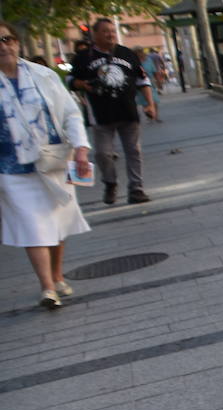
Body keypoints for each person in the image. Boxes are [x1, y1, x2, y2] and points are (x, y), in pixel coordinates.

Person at [0, 20, 93, 309]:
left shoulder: (43, 75)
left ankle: (57, 274)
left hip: (54, 159)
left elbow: (70, 114)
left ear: (16, 42)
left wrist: (80, 148)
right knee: (33, 225)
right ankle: (47, 287)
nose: (3, 46)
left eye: (6, 39)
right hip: (11, 168)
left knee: (57, 221)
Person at [69, 17, 153, 205]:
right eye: (105, 31)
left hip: (128, 112)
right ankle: (110, 183)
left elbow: (142, 80)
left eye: (113, 31)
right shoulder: (84, 57)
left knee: (134, 151)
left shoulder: (127, 53)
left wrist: (150, 104)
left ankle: (136, 189)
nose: (110, 34)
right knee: (103, 154)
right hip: (101, 115)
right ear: (95, 34)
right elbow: (69, 81)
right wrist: (82, 83)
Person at [136, 48, 161, 122]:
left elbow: (155, 71)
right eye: (137, 52)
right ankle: (149, 115)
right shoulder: (134, 61)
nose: (139, 53)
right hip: (140, 84)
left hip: (150, 83)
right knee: (144, 102)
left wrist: (158, 81)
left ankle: (156, 116)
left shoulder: (148, 60)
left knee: (155, 100)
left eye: (140, 51)